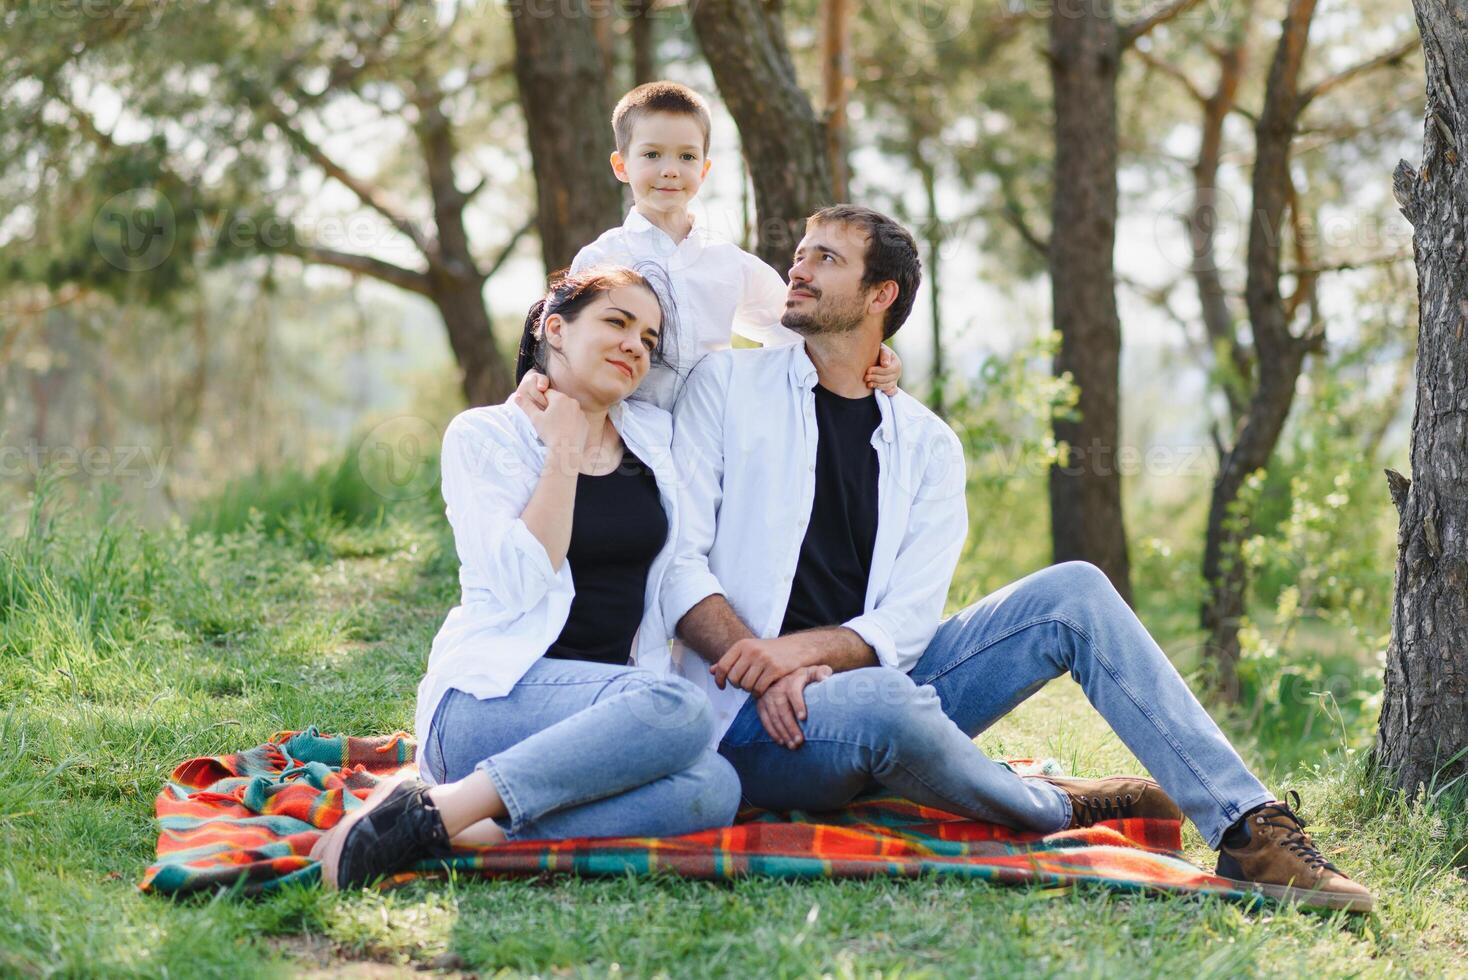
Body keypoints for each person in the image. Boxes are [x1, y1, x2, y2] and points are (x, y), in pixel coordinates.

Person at [659, 203, 1375, 913]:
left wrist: (805, 654)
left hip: (881, 686)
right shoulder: (726, 388)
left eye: (826, 258)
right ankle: (1052, 806)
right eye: (802, 252)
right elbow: (677, 562)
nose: (799, 266)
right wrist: (763, 662)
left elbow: (907, 622)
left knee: (1075, 591)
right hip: (749, 719)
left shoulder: (926, 444)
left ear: (882, 296)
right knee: (883, 701)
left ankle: (1251, 828)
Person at [312, 267, 741, 889]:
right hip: (488, 703)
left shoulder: (654, 436)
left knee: (716, 786)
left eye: (649, 339)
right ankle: (439, 806)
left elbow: (739, 397)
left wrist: (874, 368)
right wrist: (562, 452)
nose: (634, 346)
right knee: (677, 707)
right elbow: (521, 582)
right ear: (556, 329)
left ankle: (460, 829)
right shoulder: (485, 435)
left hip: (603, 719)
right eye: (617, 323)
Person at [564, 80, 901, 410]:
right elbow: (565, 350)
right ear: (621, 166)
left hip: (713, 445)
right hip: (623, 443)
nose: (670, 170)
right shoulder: (600, 259)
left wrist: (874, 355)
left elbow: (798, 330)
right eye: (652, 154)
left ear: (704, 169)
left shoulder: (728, 263)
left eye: (687, 157)